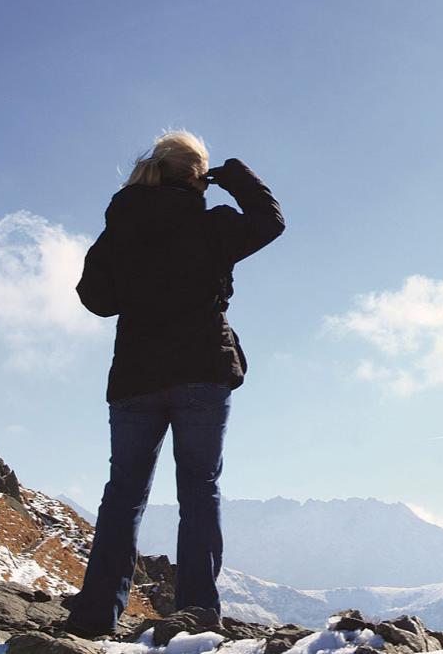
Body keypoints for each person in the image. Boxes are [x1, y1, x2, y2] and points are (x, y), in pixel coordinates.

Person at [64, 130, 285, 637]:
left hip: (136, 377)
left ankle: (98, 612)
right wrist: (236, 174)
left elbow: (95, 298)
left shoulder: (121, 226)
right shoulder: (213, 225)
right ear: (196, 176)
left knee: (123, 494)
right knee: (199, 491)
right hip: (202, 371)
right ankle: (197, 611)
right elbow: (271, 222)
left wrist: (121, 248)